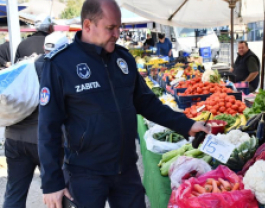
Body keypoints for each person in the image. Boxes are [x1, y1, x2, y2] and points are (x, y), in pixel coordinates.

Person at [38, 0, 208, 207]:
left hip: (126, 170)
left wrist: (187, 125)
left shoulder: (123, 59)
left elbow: (147, 103)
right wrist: (52, 183)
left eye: (119, 27)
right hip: (85, 173)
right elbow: (48, 127)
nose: (117, 33)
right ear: (88, 25)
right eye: (111, 28)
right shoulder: (60, 64)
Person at [3, 32, 69, 208]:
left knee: (14, 193)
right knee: (59, 193)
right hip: (46, 142)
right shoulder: (62, 69)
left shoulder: (22, 69)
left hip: (14, 138)